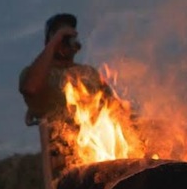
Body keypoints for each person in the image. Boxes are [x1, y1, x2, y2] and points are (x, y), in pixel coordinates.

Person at [19, 13, 117, 180]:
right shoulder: (39, 74)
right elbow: (31, 88)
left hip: (99, 155)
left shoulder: (89, 74)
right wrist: (54, 43)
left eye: (69, 34)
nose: (66, 39)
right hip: (63, 160)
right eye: (59, 34)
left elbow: (116, 109)